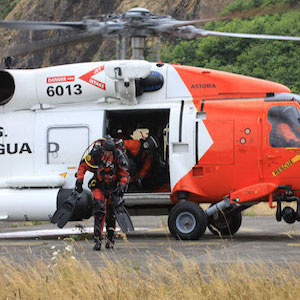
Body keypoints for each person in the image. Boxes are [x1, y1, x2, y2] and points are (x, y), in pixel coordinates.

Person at [75, 139, 130, 251]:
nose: (108, 154)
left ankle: (110, 240)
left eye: (110, 152)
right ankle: (97, 240)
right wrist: (79, 180)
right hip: (99, 185)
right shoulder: (96, 154)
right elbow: (83, 166)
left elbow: (125, 172)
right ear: (103, 150)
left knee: (111, 213)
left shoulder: (118, 155)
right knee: (99, 210)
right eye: (106, 151)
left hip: (113, 188)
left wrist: (122, 186)